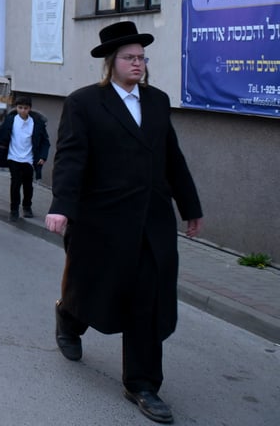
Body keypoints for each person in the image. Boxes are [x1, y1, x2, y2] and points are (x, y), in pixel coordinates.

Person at [47, 22, 203, 424]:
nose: (139, 64)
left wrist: (190, 206)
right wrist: (62, 205)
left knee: (147, 300)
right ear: (111, 63)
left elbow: (173, 158)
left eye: (142, 58)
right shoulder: (85, 103)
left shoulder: (156, 101)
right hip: (100, 220)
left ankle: (143, 384)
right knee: (93, 286)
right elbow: (70, 159)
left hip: (151, 221)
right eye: (130, 58)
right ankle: (69, 316)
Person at [0, 93, 49, 221]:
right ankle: (14, 210)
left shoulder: (36, 123)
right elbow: (0, 134)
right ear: (16, 108)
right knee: (15, 184)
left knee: (28, 184)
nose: (23, 110)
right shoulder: (10, 120)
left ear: (30, 109)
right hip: (14, 157)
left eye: (25, 108)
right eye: (20, 107)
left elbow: (45, 141)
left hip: (29, 159)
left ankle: (27, 206)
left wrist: (43, 156)